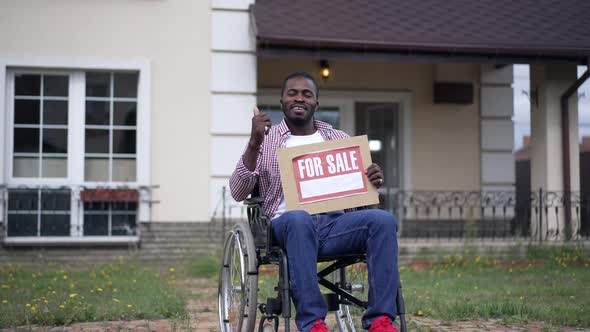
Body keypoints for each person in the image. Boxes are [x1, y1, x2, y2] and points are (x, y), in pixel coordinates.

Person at [230, 71, 400, 332]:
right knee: (299, 218)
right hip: (287, 225)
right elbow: (238, 191)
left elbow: (362, 197)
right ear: (282, 101)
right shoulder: (267, 140)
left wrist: (371, 180)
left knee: (383, 221)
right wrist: (253, 142)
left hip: (335, 225)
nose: (299, 98)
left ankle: (380, 319)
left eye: (307, 94)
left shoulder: (339, 139)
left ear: (316, 104)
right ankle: (312, 323)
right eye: (292, 93)